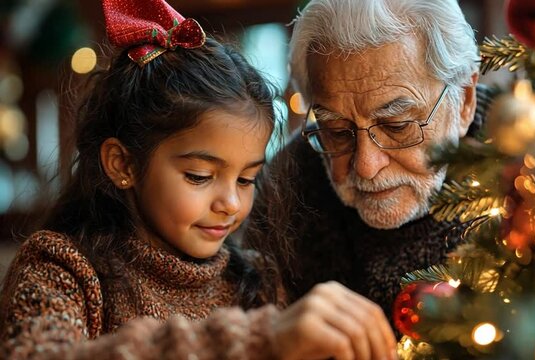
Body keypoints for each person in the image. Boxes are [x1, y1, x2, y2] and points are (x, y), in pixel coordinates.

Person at [0, 0, 397, 359]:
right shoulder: (62, 267)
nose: (231, 203)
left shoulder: (253, 280)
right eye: (200, 176)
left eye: (247, 180)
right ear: (123, 164)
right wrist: (258, 341)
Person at [244, 0, 494, 323]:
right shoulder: (285, 186)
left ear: (465, 101)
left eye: (397, 126)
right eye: (336, 131)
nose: (365, 165)